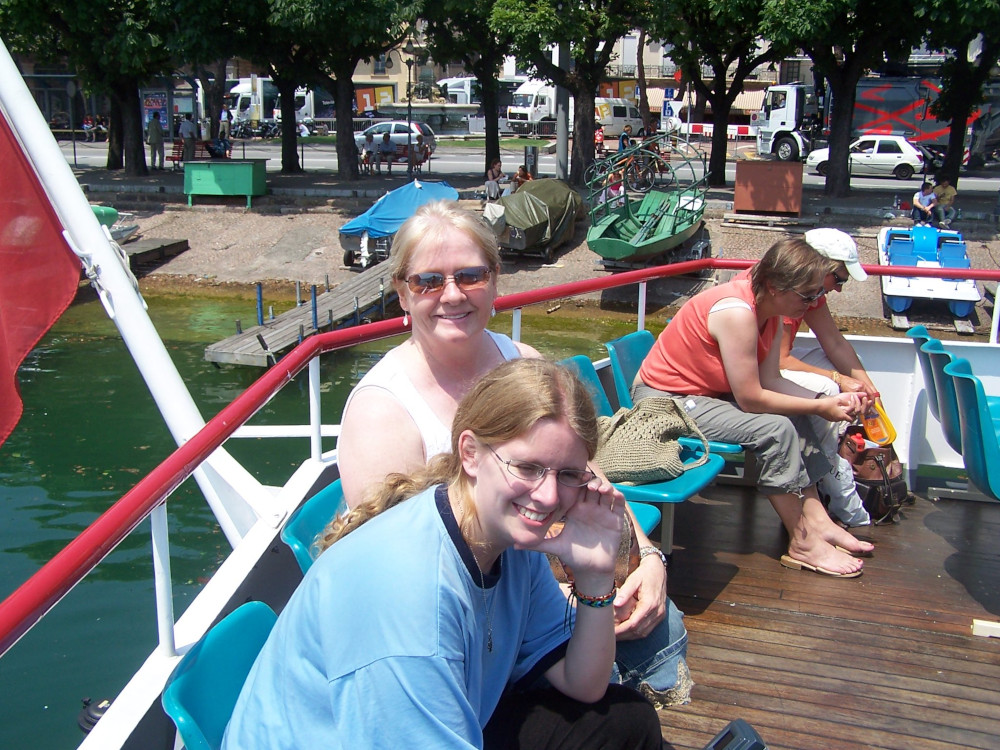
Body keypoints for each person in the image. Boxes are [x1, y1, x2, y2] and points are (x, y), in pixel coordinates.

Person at [337, 201, 693, 708]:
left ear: (495, 281)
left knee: (658, 623)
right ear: (401, 293)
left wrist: (648, 559)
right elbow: (403, 582)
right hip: (473, 634)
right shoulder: (382, 413)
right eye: (428, 281)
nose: (452, 294)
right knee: (610, 696)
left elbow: (587, 477)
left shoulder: (521, 363)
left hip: (547, 583)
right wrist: (569, 604)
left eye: (470, 275)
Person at [223, 358, 662, 749]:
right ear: (470, 453)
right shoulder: (410, 597)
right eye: (526, 467)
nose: (547, 496)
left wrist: (595, 580)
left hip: (451, 715)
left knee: (625, 720)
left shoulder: (512, 542)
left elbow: (583, 684)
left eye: (567, 474)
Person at [635, 237, 875, 578]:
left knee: (797, 410)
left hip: (704, 396)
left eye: (817, 295)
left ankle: (818, 520)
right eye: (807, 296)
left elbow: (772, 381)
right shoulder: (737, 312)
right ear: (777, 286)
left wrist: (822, 402)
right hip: (664, 401)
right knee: (774, 428)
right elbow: (751, 398)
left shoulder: (770, 311)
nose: (813, 304)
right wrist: (821, 407)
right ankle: (803, 541)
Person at [774, 228, 878, 527]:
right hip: (755, 370)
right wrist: (839, 379)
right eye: (840, 279)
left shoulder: (811, 293)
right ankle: (830, 474)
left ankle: (828, 466)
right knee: (828, 385)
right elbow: (779, 360)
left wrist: (865, 385)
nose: (840, 288)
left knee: (842, 371)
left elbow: (834, 342)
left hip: (768, 363)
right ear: (819, 266)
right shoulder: (786, 291)